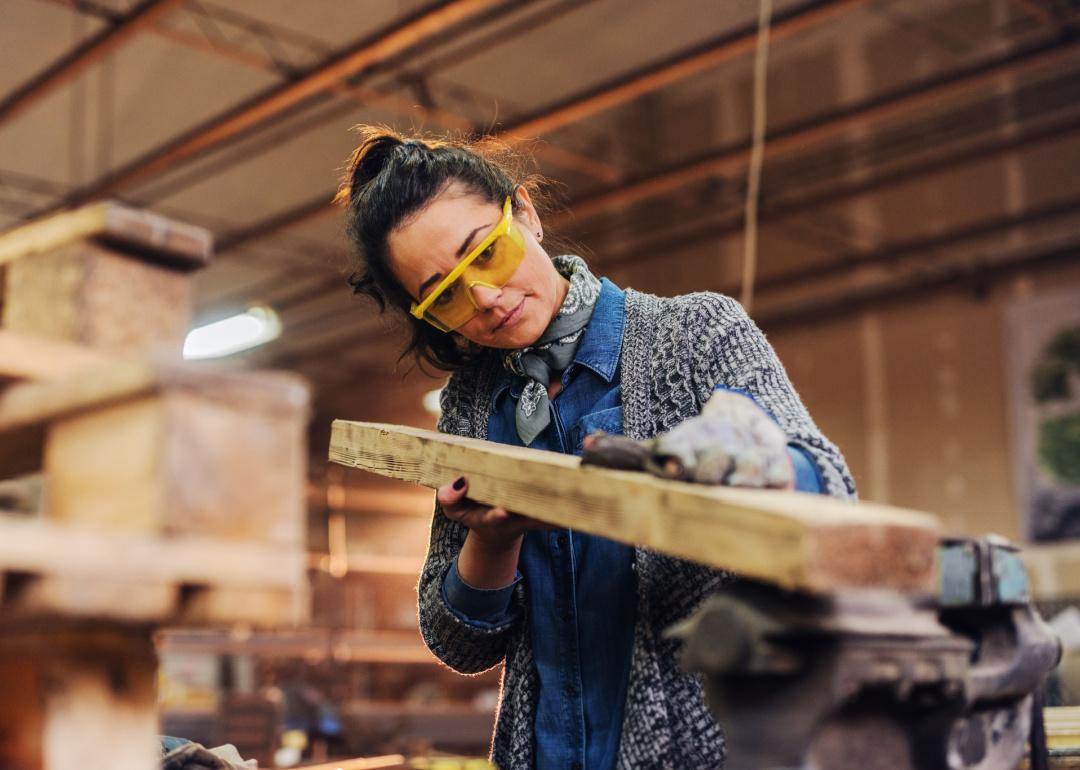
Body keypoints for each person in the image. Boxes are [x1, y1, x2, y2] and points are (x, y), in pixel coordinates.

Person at [337, 127, 856, 770]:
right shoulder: (472, 405)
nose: (486, 299)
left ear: (524, 214)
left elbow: (833, 491)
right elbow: (458, 643)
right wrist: (492, 542)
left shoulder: (694, 333)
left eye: (488, 255)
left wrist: (755, 462)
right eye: (444, 296)